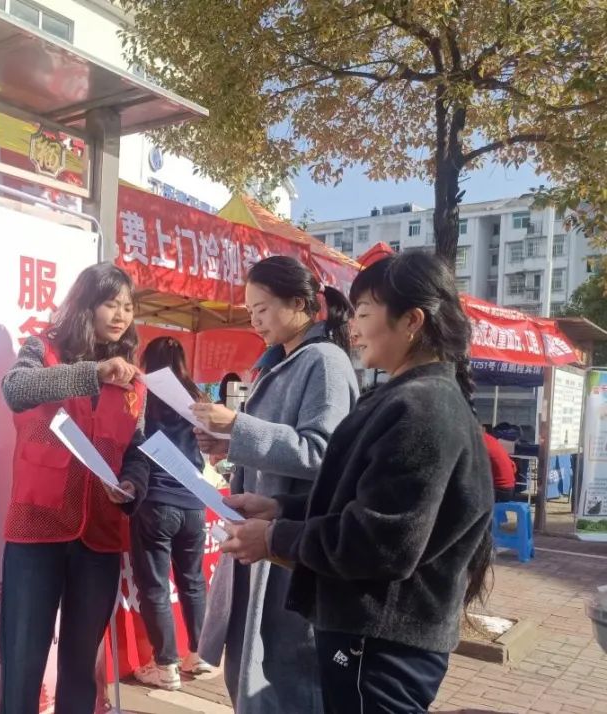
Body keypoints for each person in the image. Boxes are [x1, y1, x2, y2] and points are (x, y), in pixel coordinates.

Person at [217, 252, 494, 712]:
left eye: (364, 313)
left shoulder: (421, 408)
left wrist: (275, 537)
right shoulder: (406, 397)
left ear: (412, 321)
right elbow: (361, 499)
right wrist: (282, 509)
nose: (354, 327)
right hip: (372, 632)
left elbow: (381, 542)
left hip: (381, 638)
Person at [191, 256, 359, 713]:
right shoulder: (280, 363)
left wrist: (238, 427)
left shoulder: (325, 361)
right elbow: (278, 444)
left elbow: (322, 452)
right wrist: (230, 443)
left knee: (286, 679)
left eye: (262, 309)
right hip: (263, 537)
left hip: (291, 544)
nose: (255, 320)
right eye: (250, 311)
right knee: (256, 671)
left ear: (300, 304)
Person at [0, 262, 149, 714]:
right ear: (86, 304)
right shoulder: (43, 349)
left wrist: (133, 483)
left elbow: (137, 449)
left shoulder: (133, 381)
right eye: (110, 304)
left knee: (82, 665)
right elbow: (15, 389)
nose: (121, 315)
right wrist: (93, 372)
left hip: (99, 536)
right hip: (37, 526)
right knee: (23, 658)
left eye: (128, 307)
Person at [130, 337, 214, 691]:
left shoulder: (144, 395)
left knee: (155, 586)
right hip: (194, 502)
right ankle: (200, 654)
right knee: (193, 581)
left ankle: (166, 666)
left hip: (156, 500)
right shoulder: (198, 398)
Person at [483, 425, 518, 502]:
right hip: (510, 488)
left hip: (499, 490)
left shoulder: (479, 443)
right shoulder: (492, 440)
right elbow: (514, 468)